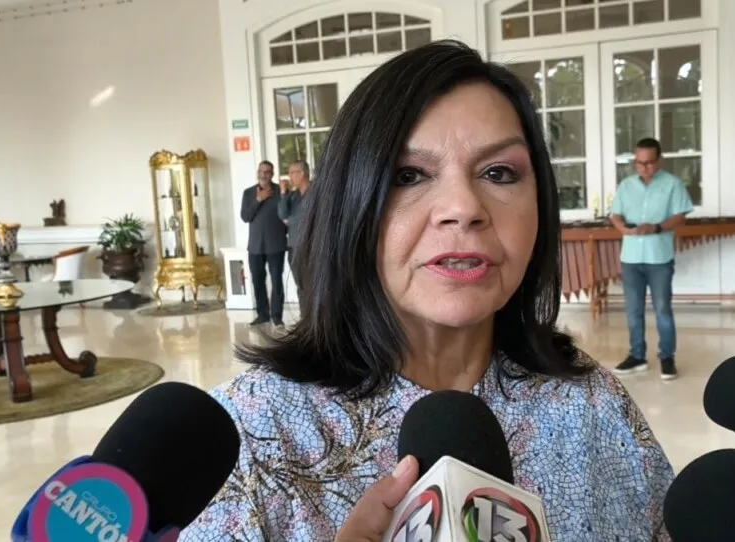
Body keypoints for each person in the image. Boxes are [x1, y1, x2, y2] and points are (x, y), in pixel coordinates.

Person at [179, 40, 673, 541]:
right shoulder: (243, 437)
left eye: (499, 173)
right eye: (409, 175)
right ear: (350, 202)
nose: (464, 208)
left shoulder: (593, 404)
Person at [609, 137, 693, 381]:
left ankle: (667, 357)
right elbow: (615, 214)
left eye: (649, 163)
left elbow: (680, 216)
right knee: (633, 310)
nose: (644, 168)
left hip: (659, 258)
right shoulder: (626, 186)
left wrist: (656, 227)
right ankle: (637, 356)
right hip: (631, 257)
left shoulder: (673, 184)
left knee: (662, 309)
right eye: (639, 163)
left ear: (659, 160)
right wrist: (622, 228)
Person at [240, 160, 288, 327]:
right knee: (257, 281)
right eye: (261, 171)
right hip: (255, 246)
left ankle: (276, 316)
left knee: (276, 281)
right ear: (257, 172)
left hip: (276, 245)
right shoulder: (248, 193)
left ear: (272, 174)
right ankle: (263, 315)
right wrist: (258, 200)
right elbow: (245, 217)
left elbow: (286, 215)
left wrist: (282, 233)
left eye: (267, 172)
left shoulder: (281, 191)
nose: (263, 174)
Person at [277, 159, 310, 311]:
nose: (289, 177)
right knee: (300, 285)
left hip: (311, 246)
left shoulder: (317, 192)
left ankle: (317, 319)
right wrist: (283, 194)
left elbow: (307, 217)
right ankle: (305, 318)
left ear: (302, 173)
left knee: (314, 285)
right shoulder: (293, 195)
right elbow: (282, 214)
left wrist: (290, 221)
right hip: (294, 246)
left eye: (292, 173)